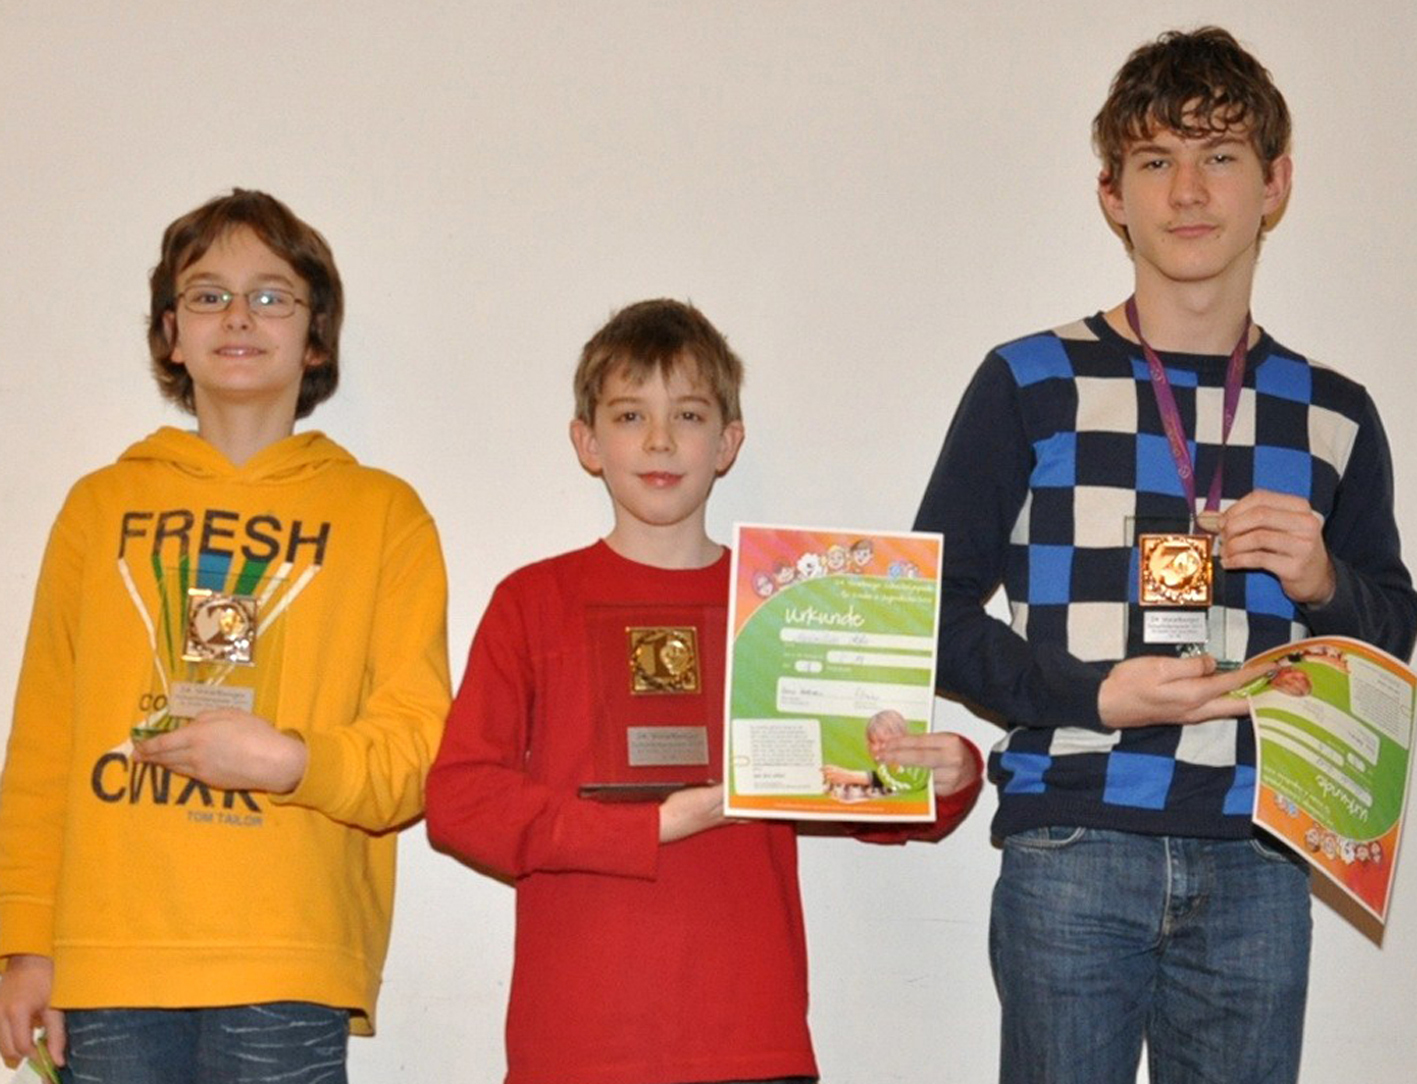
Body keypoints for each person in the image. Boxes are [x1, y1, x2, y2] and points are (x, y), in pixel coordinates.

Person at [914, 27, 1417, 1084]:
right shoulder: (1030, 382)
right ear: (1112, 193)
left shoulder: (1334, 412)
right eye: (1155, 161)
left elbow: (1391, 638)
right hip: (1071, 837)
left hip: (1260, 853)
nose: (1187, 191)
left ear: (1274, 184)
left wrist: (1324, 583)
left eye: (1220, 156)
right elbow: (932, 618)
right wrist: (1093, 696)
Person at [426, 298, 982, 1084]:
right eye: (629, 415)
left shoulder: (796, 603)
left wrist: (944, 773)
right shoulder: (532, 601)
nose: (659, 441)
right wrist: (651, 827)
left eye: (687, 415)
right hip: (577, 1043)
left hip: (749, 1032)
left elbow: (861, 789)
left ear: (727, 442)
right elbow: (460, 803)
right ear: (587, 441)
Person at [0, 190, 451, 1082]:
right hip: (109, 955)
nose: (239, 315)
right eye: (208, 295)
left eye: (272, 295)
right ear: (172, 334)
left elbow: (418, 746)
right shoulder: (100, 506)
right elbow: (44, 737)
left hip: (289, 951)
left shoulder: (384, 515)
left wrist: (290, 762)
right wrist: (24, 938)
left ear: (315, 337)